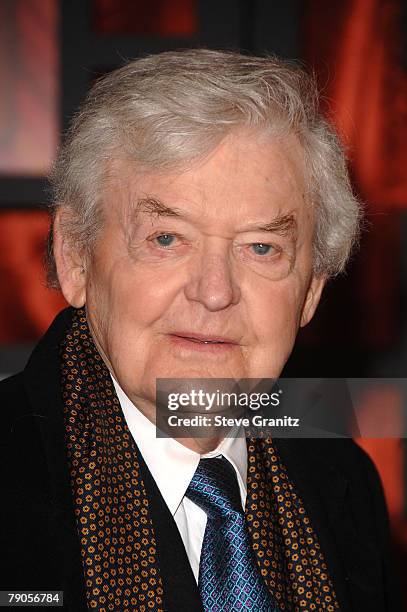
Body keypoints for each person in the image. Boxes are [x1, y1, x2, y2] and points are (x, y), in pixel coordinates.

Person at [0, 49, 401, 612]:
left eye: (261, 247)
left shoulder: (343, 481)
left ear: (311, 289)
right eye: (167, 239)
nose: (214, 292)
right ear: (75, 257)